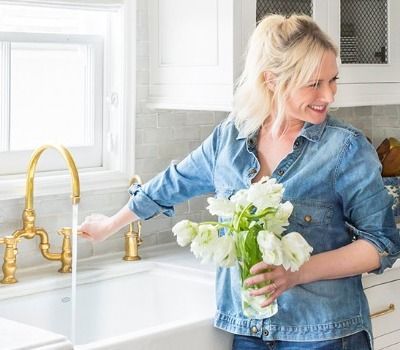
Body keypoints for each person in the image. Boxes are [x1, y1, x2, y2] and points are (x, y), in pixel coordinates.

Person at [79, 14, 400, 350]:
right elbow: (174, 182)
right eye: (314, 84)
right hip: (249, 332)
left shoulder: (345, 148)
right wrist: (111, 224)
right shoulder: (229, 139)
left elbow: (381, 244)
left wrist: (297, 272)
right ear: (271, 80)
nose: (329, 95)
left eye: (332, 80)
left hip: (325, 333)